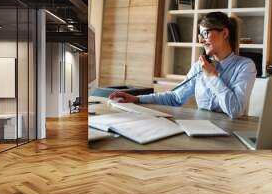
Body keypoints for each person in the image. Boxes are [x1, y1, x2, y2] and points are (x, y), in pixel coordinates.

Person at [109, 12, 257, 119]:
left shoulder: (245, 66)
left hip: (230, 135)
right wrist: (137, 99)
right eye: (200, 35)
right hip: (201, 130)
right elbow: (175, 97)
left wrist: (213, 77)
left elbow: (235, 110)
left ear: (224, 33)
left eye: (205, 33)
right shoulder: (199, 67)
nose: (201, 40)